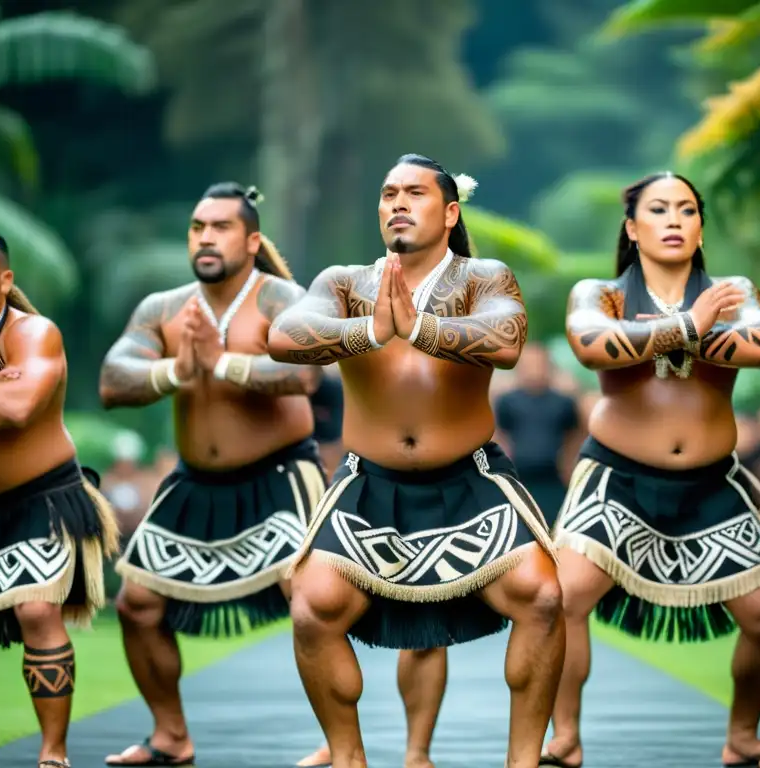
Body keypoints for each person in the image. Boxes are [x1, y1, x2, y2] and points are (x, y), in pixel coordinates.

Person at [267, 154, 564, 768]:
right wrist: (369, 332)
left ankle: (523, 762)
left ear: (450, 212)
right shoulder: (345, 283)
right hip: (368, 482)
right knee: (311, 607)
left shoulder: (484, 277)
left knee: (540, 596)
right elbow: (283, 335)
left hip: (470, 479)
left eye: (415, 193)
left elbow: (507, 343)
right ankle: (348, 756)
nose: (397, 203)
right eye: (388, 194)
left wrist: (420, 326)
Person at [545, 172, 760, 768]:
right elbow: (591, 346)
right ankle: (565, 737)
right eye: (658, 209)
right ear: (633, 227)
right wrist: (691, 324)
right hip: (616, 478)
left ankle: (742, 737)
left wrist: (682, 326)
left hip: (709, 484)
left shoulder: (733, 290)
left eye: (686, 209)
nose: (674, 219)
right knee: (564, 599)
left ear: (701, 227)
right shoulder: (599, 293)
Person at [98, 183, 325, 767]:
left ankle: (339, 745)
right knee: (138, 603)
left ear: (251, 241)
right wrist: (178, 368)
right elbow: (113, 379)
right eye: (198, 226)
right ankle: (170, 737)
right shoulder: (164, 309)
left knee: (312, 600)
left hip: (280, 476)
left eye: (220, 227)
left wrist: (220, 362)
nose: (204, 237)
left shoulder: (283, 298)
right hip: (196, 483)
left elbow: (305, 374)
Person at [0, 224, 120, 768]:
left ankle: (53, 754)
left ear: (4, 279)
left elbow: (17, 410)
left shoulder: (34, 335)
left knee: (37, 612)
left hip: (37, 498)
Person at [494, 342, 582, 528]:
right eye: (529, 365)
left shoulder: (563, 402)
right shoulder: (507, 401)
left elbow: (574, 435)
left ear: (548, 367)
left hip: (554, 479)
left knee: (556, 529)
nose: (534, 370)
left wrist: (569, 466)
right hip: (520, 479)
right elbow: (500, 434)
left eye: (539, 364)